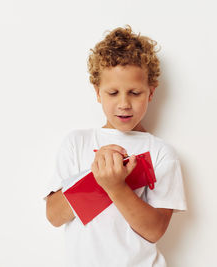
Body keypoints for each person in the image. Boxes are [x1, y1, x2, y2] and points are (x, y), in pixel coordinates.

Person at [45, 26, 186, 267]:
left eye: (134, 93)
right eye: (112, 92)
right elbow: (55, 216)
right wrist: (96, 177)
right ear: (97, 92)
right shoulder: (76, 143)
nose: (124, 104)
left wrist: (116, 187)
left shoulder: (161, 153)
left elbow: (154, 230)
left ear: (151, 92)